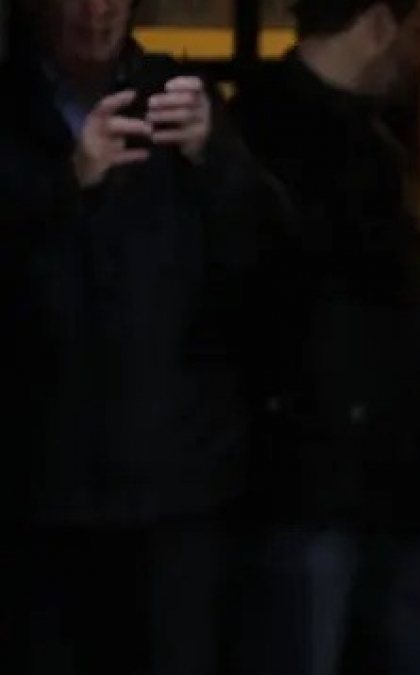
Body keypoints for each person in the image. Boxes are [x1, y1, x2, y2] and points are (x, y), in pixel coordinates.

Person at [226, 2, 420, 674]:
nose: (419, 54)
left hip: (379, 491)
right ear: (379, 25)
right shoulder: (257, 145)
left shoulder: (290, 137)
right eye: (418, 34)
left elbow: (411, 331)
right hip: (311, 492)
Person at [0, 0, 277, 673]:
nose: (98, 15)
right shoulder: (12, 107)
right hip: (42, 489)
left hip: (176, 485)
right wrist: (69, 181)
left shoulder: (178, 97)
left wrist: (216, 154)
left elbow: (272, 262)